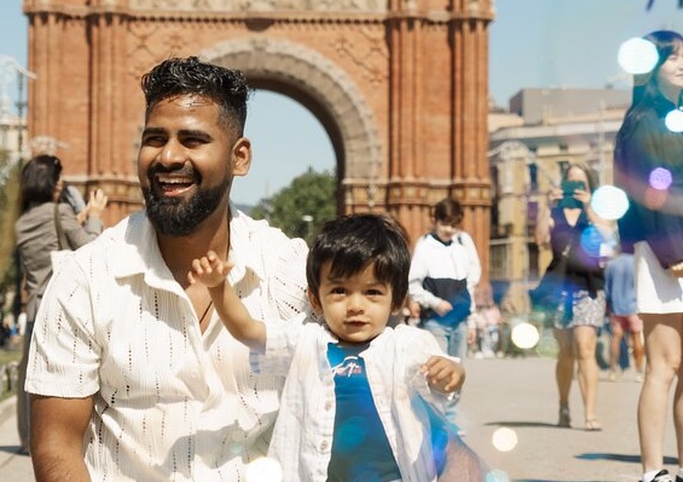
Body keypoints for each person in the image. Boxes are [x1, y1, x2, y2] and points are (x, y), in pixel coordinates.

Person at [25, 57, 311, 481]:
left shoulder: (292, 274)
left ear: (240, 157)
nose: (169, 156)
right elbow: (56, 444)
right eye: (155, 138)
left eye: (193, 140)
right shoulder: (85, 278)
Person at [189, 213, 466, 481]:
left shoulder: (406, 345)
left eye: (372, 292)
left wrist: (451, 374)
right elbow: (248, 331)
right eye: (339, 291)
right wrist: (219, 288)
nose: (355, 305)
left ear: (396, 300)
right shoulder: (304, 340)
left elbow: (444, 374)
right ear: (316, 299)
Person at [613, 30, 683, 482]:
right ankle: (653, 470)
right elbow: (648, 189)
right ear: (652, 66)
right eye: (672, 56)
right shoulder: (644, 119)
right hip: (666, 248)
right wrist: (668, 249)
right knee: (665, 362)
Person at [14, 154, 107, 454]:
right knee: (71, 375)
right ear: (51, 184)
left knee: (29, 374)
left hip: (34, 307)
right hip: (61, 308)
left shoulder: (23, 221)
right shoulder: (60, 211)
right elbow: (90, 248)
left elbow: (50, 242)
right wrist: (94, 216)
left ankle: (29, 439)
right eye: (58, 179)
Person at [534, 162, 608, 432]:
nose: (576, 190)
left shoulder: (597, 212)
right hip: (560, 287)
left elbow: (608, 238)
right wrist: (545, 206)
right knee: (565, 353)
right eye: (571, 184)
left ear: (590, 187)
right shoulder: (554, 212)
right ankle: (564, 405)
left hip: (589, 285)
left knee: (585, 348)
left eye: (582, 185)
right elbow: (540, 239)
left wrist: (589, 206)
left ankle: (590, 413)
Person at [408, 197, 481, 425]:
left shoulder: (463, 245)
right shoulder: (425, 246)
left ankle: (451, 422)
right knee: (438, 374)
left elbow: (469, 287)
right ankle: (436, 422)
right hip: (436, 321)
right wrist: (434, 302)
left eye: (454, 224)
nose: (449, 229)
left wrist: (472, 322)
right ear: (435, 220)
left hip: (459, 320)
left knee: (457, 374)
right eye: (445, 223)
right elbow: (413, 285)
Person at [604, 250, 645, 383]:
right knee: (637, 338)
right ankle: (639, 371)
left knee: (615, 339)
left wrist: (608, 306)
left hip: (617, 307)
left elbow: (607, 289)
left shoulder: (611, 264)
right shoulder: (636, 263)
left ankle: (613, 370)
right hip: (633, 307)